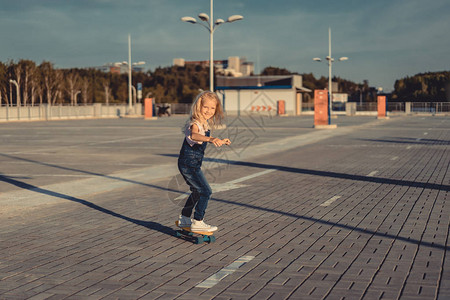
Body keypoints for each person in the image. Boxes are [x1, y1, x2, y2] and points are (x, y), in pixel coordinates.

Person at [177, 91, 231, 232]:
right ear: (199, 106)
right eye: (205, 107)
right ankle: (198, 221)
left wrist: (220, 140)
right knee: (205, 191)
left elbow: (202, 137)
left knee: (196, 191)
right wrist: (212, 139)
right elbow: (195, 135)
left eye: (212, 108)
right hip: (188, 164)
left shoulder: (204, 124)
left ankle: (185, 218)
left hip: (192, 164)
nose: (209, 111)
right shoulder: (194, 123)